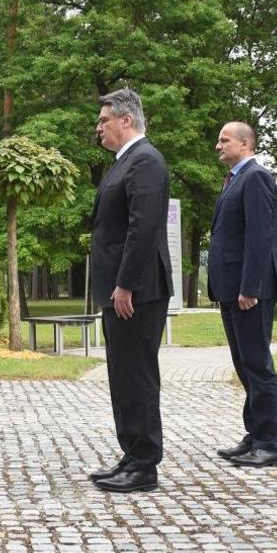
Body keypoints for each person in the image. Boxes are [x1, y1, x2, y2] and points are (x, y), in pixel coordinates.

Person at [86, 88, 173, 493]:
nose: (99, 127)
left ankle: (144, 464)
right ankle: (132, 453)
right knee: (123, 375)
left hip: (137, 291)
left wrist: (125, 284)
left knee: (136, 375)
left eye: (104, 120)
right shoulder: (125, 162)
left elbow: (143, 228)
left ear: (127, 120)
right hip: (121, 289)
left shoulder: (145, 162)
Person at [207, 121, 277, 468]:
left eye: (225, 140)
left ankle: (270, 443)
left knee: (257, 365)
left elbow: (261, 235)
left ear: (245, 143)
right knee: (244, 364)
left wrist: (250, 287)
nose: (218, 146)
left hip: (249, 290)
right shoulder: (235, 179)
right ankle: (255, 434)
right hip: (231, 288)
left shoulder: (256, 177)